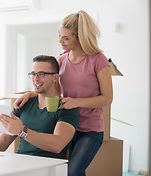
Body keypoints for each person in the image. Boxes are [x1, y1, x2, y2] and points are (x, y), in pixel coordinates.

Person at [14, 10, 113, 176]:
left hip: (89, 130)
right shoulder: (61, 60)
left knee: (73, 171)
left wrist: (76, 102)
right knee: (59, 169)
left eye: (66, 38)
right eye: (59, 35)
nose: (60, 40)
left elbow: (107, 98)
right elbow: (49, 84)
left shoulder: (98, 60)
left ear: (80, 38)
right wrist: (29, 94)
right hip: (64, 125)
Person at [0, 55, 79, 159]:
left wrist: (22, 131)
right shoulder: (24, 103)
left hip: (47, 167)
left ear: (55, 77)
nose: (35, 79)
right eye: (33, 74)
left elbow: (58, 145)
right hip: (20, 163)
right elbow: (5, 139)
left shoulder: (66, 107)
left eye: (41, 74)